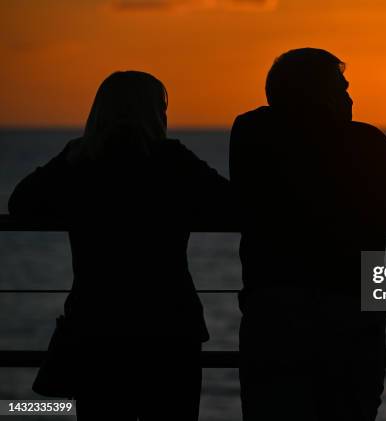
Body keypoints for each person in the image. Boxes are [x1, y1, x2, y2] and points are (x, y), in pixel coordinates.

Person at [230, 48, 386, 421]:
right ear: (320, 93)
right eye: (341, 89)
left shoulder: (249, 131)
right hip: (347, 312)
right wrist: (376, 210)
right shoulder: (362, 142)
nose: (350, 98)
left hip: (272, 312)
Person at [9, 71, 233, 421]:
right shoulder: (172, 160)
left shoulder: (81, 163)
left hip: (97, 325)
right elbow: (231, 205)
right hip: (169, 324)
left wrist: (68, 156)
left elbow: (21, 204)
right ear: (157, 113)